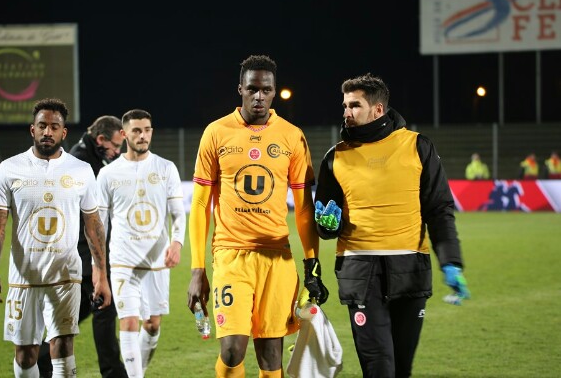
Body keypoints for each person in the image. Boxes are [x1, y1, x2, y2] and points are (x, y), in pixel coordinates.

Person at [314, 73, 470, 378]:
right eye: (345, 105)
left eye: (355, 105)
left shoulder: (418, 146)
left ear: (378, 109)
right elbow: (326, 225)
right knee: (379, 369)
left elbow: (439, 210)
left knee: (401, 370)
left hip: (410, 270)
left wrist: (451, 262)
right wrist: (328, 224)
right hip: (359, 272)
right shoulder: (334, 158)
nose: (346, 112)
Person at [186, 54, 329, 378]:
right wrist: (197, 268)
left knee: (270, 356)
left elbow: (304, 207)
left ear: (274, 92)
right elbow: (199, 205)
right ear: (240, 89)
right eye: (252, 89)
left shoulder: (292, 136)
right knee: (233, 349)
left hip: (276, 258)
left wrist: (312, 265)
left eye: (266, 90)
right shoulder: (216, 133)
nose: (259, 96)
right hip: (231, 255)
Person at [0, 98, 112, 378]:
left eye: (54, 127)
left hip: (66, 274)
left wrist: (100, 273)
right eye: (42, 126)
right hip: (24, 276)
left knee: (63, 344)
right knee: (26, 352)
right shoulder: (9, 168)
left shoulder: (80, 170)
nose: (47, 132)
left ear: (63, 133)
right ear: (32, 129)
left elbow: (93, 225)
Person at [96, 109, 186, 378]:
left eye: (147, 130)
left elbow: (178, 213)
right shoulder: (109, 174)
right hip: (123, 261)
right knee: (130, 321)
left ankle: (138, 372)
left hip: (157, 261)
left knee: (152, 325)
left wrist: (177, 243)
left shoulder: (165, 168)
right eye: (136, 130)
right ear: (124, 134)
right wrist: (99, 265)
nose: (143, 135)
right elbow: (99, 225)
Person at [37, 115, 127, 378]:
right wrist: (96, 261)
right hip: (84, 252)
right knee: (104, 309)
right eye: (115, 146)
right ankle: (113, 373)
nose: (117, 152)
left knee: (73, 317)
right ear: (101, 139)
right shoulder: (82, 163)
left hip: (82, 251)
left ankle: (39, 361)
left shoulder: (87, 156)